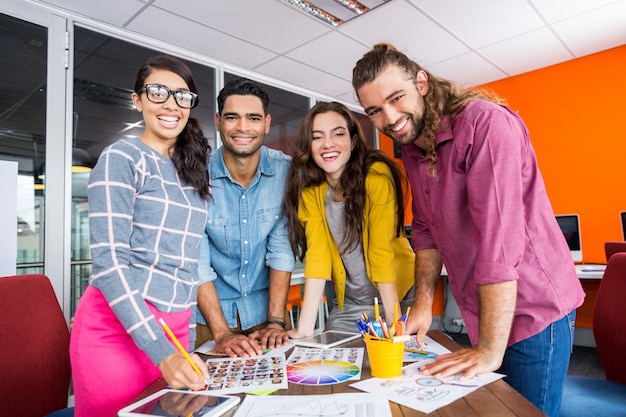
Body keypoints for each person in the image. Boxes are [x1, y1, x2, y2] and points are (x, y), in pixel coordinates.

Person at [352, 43, 585, 417]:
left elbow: (499, 244)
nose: (390, 118)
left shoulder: (485, 125)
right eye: (375, 111)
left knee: (524, 412)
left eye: (397, 98)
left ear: (422, 83)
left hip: (534, 307)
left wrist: (490, 349)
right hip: (487, 307)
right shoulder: (413, 147)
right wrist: (423, 305)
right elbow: (426, 229)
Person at [70, 55, 211, 417]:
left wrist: (186, 342)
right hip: (115, 333)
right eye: (158, 92)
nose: (171, 104)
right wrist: (161, 352)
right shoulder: (122, 157)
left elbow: (188, 265)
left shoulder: (191, 172)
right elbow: (110, 264)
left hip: (175, 333)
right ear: (137, 99)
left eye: (182, 95)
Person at [283, 101, 415, 338]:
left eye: (338, 134)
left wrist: (394, 324)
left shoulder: (376, 176)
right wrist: (304, 329)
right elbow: (318, 255)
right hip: (352, 304)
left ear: (353, 142)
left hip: (399, 296)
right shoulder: (311, 191)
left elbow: (380, 252)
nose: (328, 144)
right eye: (317, 137)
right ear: (309, 146)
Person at [195, 77, 295, 358]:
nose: (242, 127)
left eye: (253, 118)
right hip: (208, 319)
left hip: (266, 316)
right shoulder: (195, 176)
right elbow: (197, 263)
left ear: (266, 123)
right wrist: (222, 333)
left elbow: (281, 250)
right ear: (218, 121)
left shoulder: (286, 172)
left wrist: (276, 321)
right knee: (211, 398)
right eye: (232, 117)